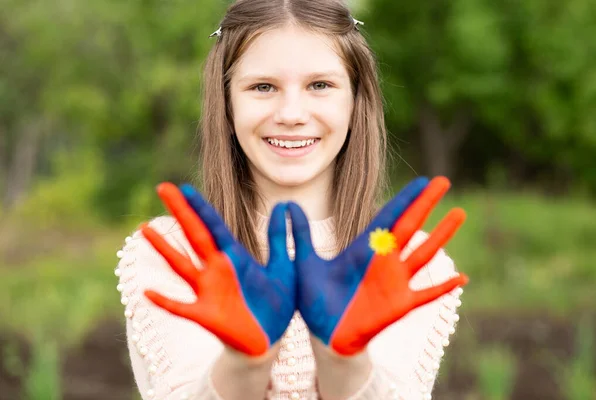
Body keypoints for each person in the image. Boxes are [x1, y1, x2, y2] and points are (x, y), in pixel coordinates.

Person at [114, 0, 468, 399]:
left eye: (320, 85)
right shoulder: (173, 254)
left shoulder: (405, 261)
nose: (292, 113)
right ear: (227, 104)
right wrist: (244, 363)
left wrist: (343, 361)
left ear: (356, 100)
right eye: (263, 87)